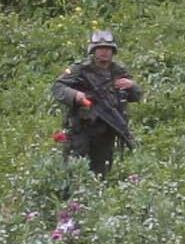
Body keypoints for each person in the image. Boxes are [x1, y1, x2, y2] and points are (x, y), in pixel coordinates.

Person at [51, 30, 140, 177]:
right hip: (82, 129)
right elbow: (58, 87)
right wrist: (75, 95)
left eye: (108, 49)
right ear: (93, 50)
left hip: (107, 129)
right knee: (74, 169)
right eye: (100, 49)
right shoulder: (80, 69)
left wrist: (131, 85)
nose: (104, 52)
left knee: (101, 172)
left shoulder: (118, 70)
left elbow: (135, 96)